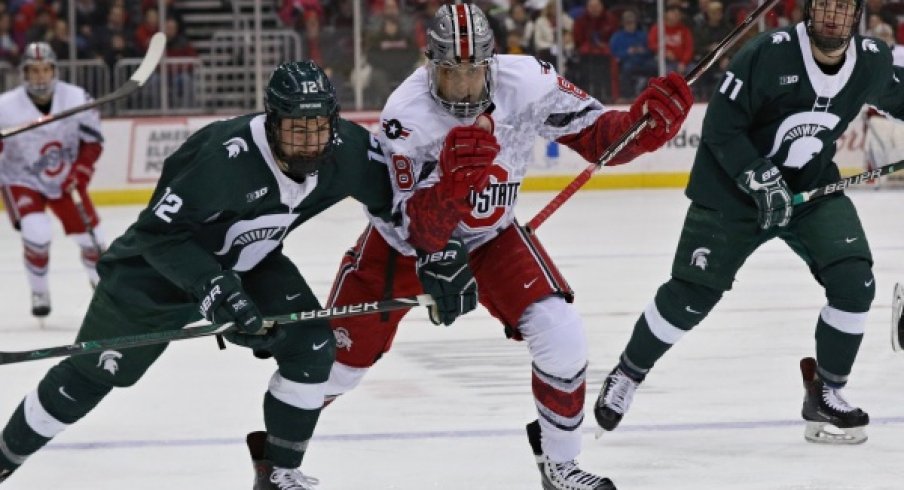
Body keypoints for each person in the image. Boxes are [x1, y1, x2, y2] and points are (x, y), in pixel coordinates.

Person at [320, 3, 693, 489]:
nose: (465, 87)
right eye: (451, 74)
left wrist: (642, 129)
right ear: (429, 64)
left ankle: (561, 464)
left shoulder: (528, 81)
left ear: (492, 63)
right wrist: (453, 185)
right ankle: (280, 456)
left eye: (475, 72)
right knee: (336, 368)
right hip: (402, 247)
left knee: (562, 336)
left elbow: (597, 137)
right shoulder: (403, 118)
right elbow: (417, 230)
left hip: (491, 235)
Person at [0, 60, 402, 489]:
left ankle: (279, 473)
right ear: (271, 122)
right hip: (155, 273)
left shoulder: (348, 150)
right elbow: (159, 235)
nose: (309, 143)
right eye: (295, 130)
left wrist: (444, 254)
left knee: (313, 344)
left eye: (318, 128)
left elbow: (400, 207)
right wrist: (212, 287)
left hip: (250, 262)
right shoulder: (221, 157)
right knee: (90, 377)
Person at [593, 0, 898, 446]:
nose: (834, 18)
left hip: (810, 191)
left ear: (858, 16)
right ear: (809, 12)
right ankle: (629, 372)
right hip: (731, 193)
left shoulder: (870, 61)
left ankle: (827, 390)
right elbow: (719, 127)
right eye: (825, 8)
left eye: (844, 10)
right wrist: (757, 176)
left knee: (855, 281)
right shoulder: (767, 54)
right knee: (690, 296)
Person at [0, 41, 105, 320]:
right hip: (21, 178)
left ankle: (103, 289)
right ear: (24, 73)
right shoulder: (5, 107)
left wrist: (80, 172)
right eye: (34, 70)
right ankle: (39, 291)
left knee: (94, 241)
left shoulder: (76, 98)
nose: (40, 76)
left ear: (54, 70)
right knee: (37, 232)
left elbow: (93, 142)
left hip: (65, 178)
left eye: (45, 69)